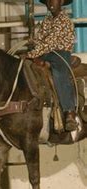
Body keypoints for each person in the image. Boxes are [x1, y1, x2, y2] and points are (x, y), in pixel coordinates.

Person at [27, 0, 77, 131]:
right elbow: (41, 39)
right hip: (45, 52)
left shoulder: (64, 20)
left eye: (54, 0)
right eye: (48, 0)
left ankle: (69, 111)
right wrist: (33, 43)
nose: (50, 3)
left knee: (59, 73)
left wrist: (33, 54)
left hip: (60, 54)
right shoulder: (47, 20)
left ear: (61, 2)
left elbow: (50, 42)